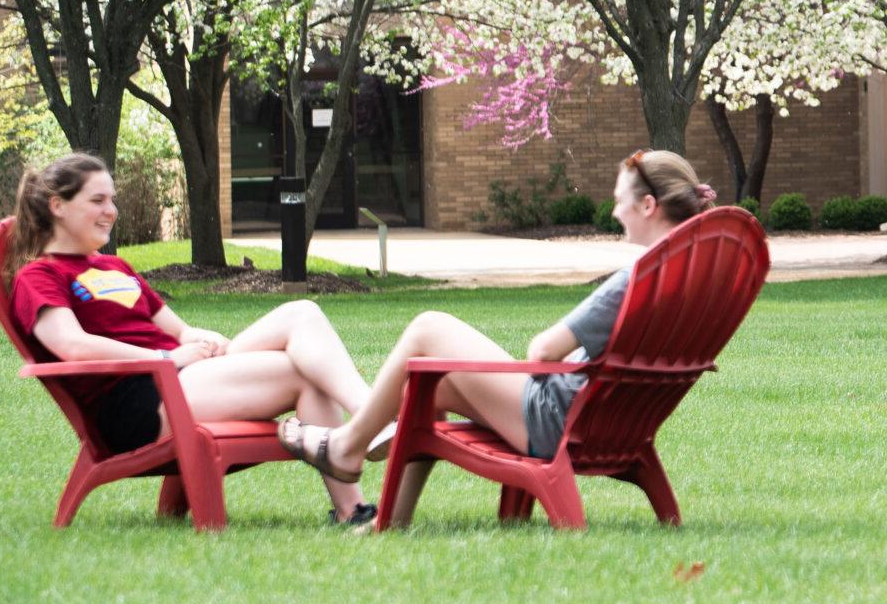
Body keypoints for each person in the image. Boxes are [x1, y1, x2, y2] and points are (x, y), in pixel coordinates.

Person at [280, 149, 714, 522]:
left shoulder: (635, 279)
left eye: (620, 200)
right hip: (612, 422)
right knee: (428, 387)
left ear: (648, 205)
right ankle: (391, 520)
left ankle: (347, 446)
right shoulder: (693, 284)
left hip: (556, 418)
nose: (615, 210)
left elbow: (543, 351)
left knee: (429, 326)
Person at [7, 152, 384, 525]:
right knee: (303, 372)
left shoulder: (115, 266)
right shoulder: (39, 276)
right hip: (139, 402)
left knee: (301, 312)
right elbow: (72, 346)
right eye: (97, 200)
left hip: (181, 379)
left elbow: (178, 329)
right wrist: (165, 358)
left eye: (113, 200)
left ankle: (364, 451)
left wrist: (200, 339)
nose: (111, 210)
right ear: (58, 205)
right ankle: (369, 436)